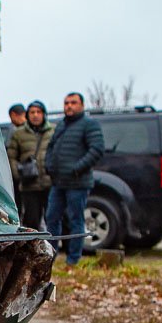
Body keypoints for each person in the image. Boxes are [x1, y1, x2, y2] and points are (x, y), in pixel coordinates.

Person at [44, 92, 104, 265]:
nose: (69, 106)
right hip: (58, 182)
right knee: (51, 218)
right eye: (66, 103)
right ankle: (49, 257)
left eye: (73, 102)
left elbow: (97, 149)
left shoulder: (89, 124)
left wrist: (77, 168)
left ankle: (73, 259)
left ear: (82, 105)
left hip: (78, 183)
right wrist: (49, 165)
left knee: (75, 219)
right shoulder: (62, 125)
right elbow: (50, 147)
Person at [6, 100, 53, 230]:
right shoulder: (19, 133)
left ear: (44, 114)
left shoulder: (53, 131)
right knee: (32, 220)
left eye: (38, 112)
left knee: (53, 218)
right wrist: (18, 175)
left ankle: (55, 242)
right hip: (29, 184)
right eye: (32, 112)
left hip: (50, 183)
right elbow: (11, 157)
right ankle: (34, 242)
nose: (35, 115)